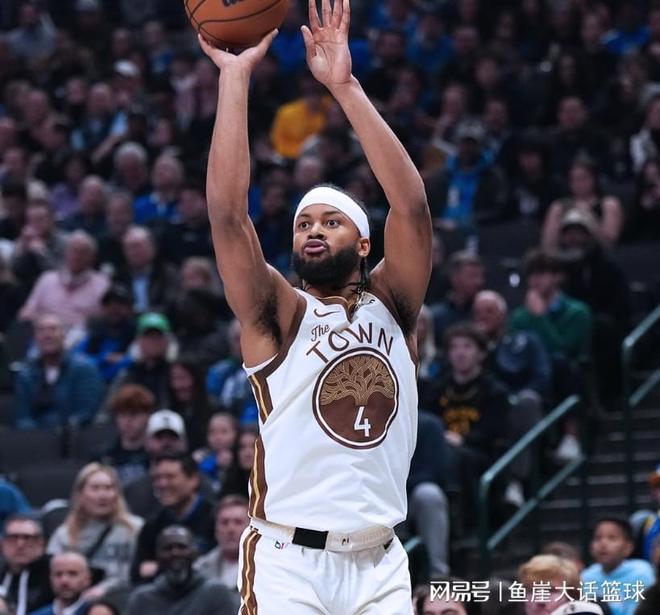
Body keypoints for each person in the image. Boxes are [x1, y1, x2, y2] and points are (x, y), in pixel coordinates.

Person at [197, 0, 432, 609]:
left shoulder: (394, 303)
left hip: (380, 560)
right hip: (289, 560)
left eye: (331, 221)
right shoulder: (280, 313)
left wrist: (345, 87)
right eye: (304, 223)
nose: (313, 231)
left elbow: (411, 207)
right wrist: (234, 78)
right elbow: (227, 216)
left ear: (364, 242)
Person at [47, 464, 143, 590]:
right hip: (82, 597)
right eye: (95, 488)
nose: (103, 495)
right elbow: (54, 574)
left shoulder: (136, 528)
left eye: (108, 488)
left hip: (125, 595)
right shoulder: (64, 534)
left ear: (117, 493)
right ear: (80, 494)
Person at [130, 454, 215, 584]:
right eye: (157, 478)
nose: (162, 484)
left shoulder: (216, 518)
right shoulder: (153, 524)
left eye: (170, 477)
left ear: (193, 480)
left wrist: (159, 568)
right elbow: (138, 572)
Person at [14, 313, 105, 430]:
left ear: (64, 335)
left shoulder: (85, 368)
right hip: (33, 436)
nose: (47, 335)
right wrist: (32, 434)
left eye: (53, 329)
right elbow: (23, 415)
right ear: (35, 338)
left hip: (75, 435)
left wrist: (60, 431)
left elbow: (86, 412)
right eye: (41, 330)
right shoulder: (26, 372)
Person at [126, 525, 236, 615]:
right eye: (168, 548)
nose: (175, 553)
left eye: (182, 547)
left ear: (195, 553)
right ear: (157, 556)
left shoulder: (216, 593)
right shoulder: (141, 600)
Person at [582, 518, 655, 615]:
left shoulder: (642, 573)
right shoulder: (586, 576)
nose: (603, 543)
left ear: (628, 547)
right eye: (598, 538)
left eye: (612, 538)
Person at [95, 384, 154, 485]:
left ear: (148, 416)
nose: (127, 421)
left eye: (134, 414)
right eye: (122, 415)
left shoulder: (154, 456)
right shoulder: (103, 456)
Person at [194, 495, 249, 593]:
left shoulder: (265, 567)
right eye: (224, 522)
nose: (230, 529)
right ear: (215, 529)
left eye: (238, 522)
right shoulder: (199, 568)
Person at [0, 515, 53, 615]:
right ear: (2, 544)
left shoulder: (55, 571)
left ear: (41, 543)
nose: (20, 544)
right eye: (13, 538)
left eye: (28, 538)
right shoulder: (2, 572)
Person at [430, 251, 485, 347]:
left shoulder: (485, 314)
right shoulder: (435, 316)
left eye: (480, 276)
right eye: (472, 276)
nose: (479, 281)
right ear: (455, 278)